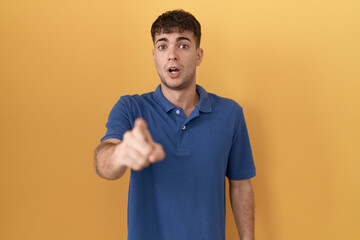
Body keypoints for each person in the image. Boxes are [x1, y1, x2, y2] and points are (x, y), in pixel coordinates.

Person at [94, 9, 256, 240]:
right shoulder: (131, 108)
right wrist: (121, 153)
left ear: (198, 55)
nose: (172, 55)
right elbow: (104, 166)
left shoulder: (230, 114)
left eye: (182, 45)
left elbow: (241, 186)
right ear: (154, 56)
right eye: (162, 46)